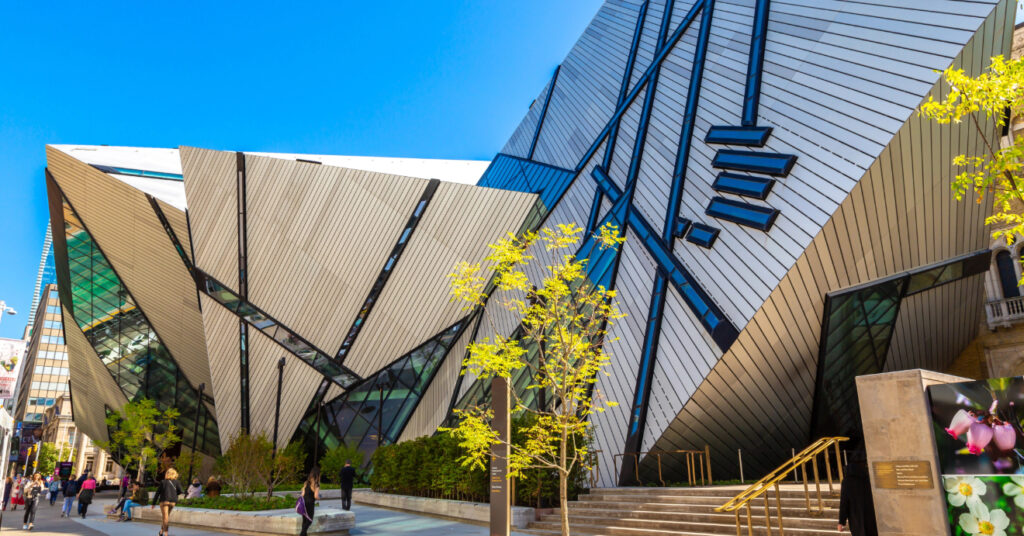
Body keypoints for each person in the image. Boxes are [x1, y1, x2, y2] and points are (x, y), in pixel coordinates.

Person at [839, 451, 878, 536]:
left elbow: (844, 502)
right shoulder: (869, 478)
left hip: (856, 519)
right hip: (871, 518)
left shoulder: (847, 481)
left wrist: (841, 521)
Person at [151, 467, 184, 536]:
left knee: (165, 517)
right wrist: (174, 494)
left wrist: (153, 503)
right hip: (172, 502)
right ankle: (161, 532)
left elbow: (157, 493)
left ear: (167, 474)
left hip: (164, 501)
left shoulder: (163, 482)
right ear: (174, 474)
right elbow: (181, 491)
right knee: (166, 517)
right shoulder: (177, 482)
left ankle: (166, 533)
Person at [298, 468, 320, 536]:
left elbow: (302, 494)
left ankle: (304, 534)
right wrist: (320, 498)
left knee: (304, 521)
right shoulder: (316, 484)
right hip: (310, 504)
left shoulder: (306, 482)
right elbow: (316, 496)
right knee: (309, 520)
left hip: (304, 502)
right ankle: (301, 534)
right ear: (317, 475)